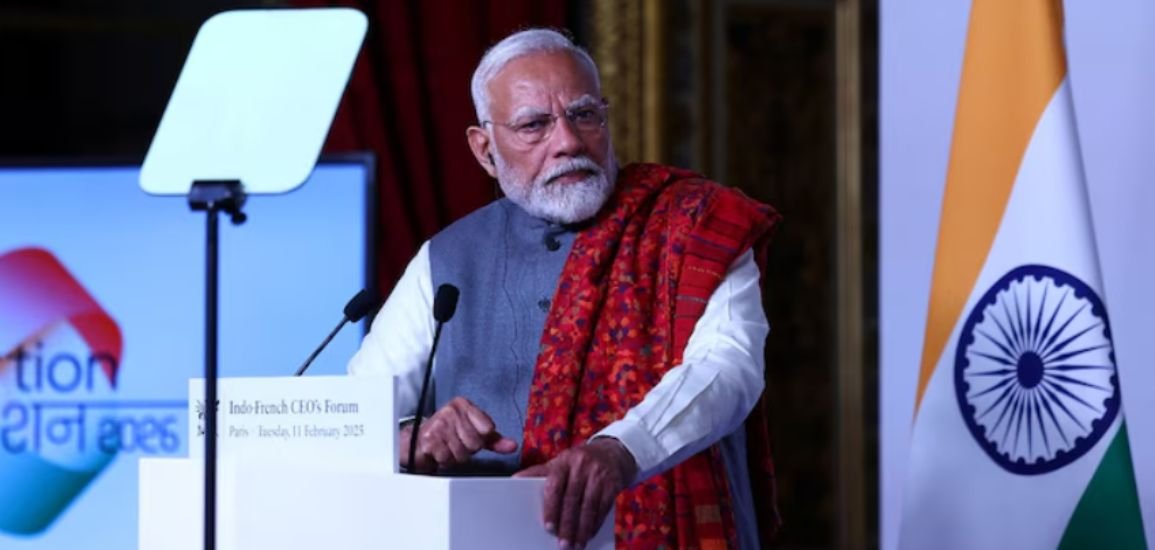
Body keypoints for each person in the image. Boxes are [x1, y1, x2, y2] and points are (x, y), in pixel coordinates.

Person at [348, 28, 780, 549]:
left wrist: (622, 451)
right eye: (534, 125)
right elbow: (359, 408)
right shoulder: (446, 257)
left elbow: (729, 366)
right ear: (484, 149)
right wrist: (412, 437)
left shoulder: (696, 225)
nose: (569, 143)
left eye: (583, 115)